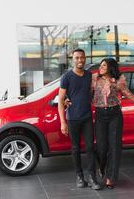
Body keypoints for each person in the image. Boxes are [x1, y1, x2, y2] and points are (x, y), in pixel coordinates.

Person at [92, 58, 134, 189]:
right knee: (101, 148)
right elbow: (84, 93)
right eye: (101, 65)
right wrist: (68, 99)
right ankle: (102, 168)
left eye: (104, 65)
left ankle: (111, 178)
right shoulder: (94, 78)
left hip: (115, 114)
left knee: (115, 147)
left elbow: (130, 95)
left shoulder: (119, 80)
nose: (101, 67)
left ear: (110, 67)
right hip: (99, 115)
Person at [58, 48, 101, 190]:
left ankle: (92, 177)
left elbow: (92, 93)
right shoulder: (67, 77)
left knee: (90, 147)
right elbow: (60, 100)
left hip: (87, 117)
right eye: (77, 58)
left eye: (82, 57)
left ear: (85, 58)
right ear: (73, 59)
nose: (80, 60)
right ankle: (79, 176)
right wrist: (63, 122)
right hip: (72, 119)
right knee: (75, 148)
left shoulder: (89, 76)